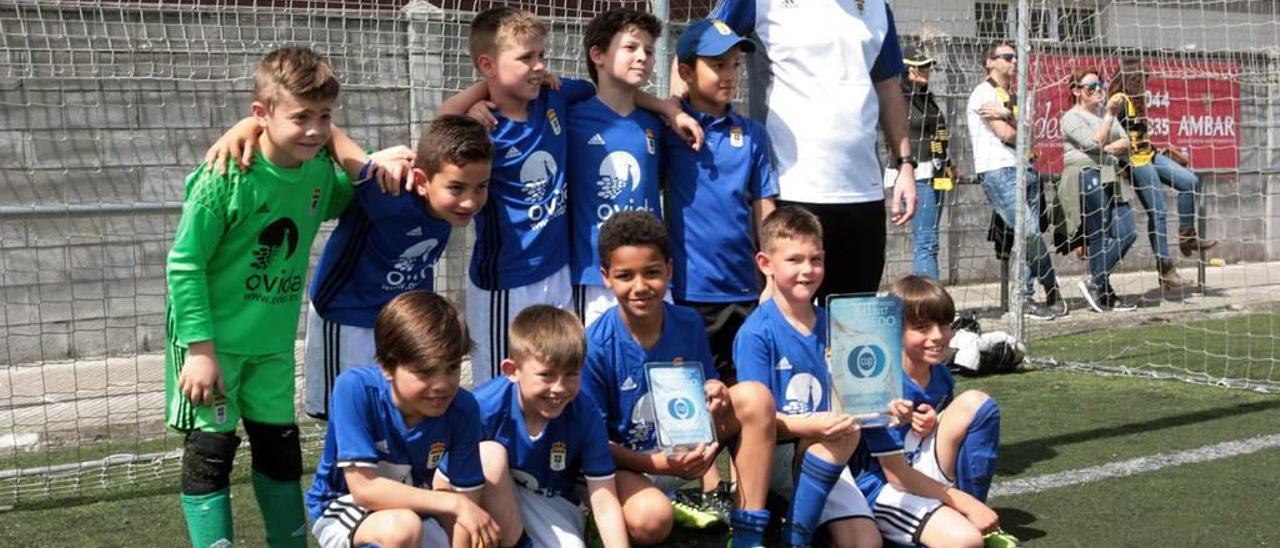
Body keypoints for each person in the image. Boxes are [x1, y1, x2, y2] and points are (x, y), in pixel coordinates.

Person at [164, 47, 379, 548]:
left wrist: (361, 150)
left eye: (324, 116)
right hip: (214, 345)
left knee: (280, 452)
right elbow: (184, 263)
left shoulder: (319, 175)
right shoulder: (225, 177)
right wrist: (199, 348)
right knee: (211, 453)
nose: (314, 129)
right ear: (261, 114)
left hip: (273, 346)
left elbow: (360, 187)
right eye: (300, 117)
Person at [442, 7, 700, 381]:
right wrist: (479, 94)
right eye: (526, 57)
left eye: (541, 57)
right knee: (504, 380)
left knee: (563, 371)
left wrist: (666, 108)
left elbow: (606, 90)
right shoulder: (485, 125)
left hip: (559, 271)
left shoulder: (559, 99)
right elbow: (442, 123)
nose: (538, 66)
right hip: (512, 276)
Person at [690, 0, 917, 300]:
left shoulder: (877, 6)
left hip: (863, 195)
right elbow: (696, 46)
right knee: (790, 322)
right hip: (789, 190)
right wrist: (678, 113)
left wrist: (905, 164)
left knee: (854, 328)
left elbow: (888, 87)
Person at [580, 211, 777, 547]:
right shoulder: (594, 345)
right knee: (652, 520)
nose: (640, 286)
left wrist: (715, 394)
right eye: (625, 275)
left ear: (669, 270)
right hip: (634, 465)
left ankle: (747, 534)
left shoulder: (688, 322)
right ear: (606, 277)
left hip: (683, 450)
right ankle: (604, 520)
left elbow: (706, 391)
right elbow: (594, 445)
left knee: (755, 397)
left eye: (652, 273)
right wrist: (658, 464)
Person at [301, 115, 492, 419]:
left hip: (398, 326)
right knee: (345, 415)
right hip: (346, 318)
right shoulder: (387, 192)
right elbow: (331, 133)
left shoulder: (445, 208)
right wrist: (377, 158)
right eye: (456, 188)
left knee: (394, 414)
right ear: (421, 180)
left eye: (480, 187)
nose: (469, 202)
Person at [305, 291, 501, 548]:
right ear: (387, 367)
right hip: (344, 504)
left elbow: (468, 500)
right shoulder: (355, 390)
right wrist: (454, 503)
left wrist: (459, 514)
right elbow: (364, 490)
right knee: (402, 529)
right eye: (426, 371)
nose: (442, 384)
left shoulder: (463, 408)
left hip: (416, 508)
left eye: (452, 367)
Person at [733, 206, 880, 548]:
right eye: (794, 260)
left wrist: (890, 406)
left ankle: (803, 523)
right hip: (776, 457)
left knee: (866, 543)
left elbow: (858, 396)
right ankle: (793, 538)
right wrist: (813, 426)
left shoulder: (836, 323)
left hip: (828, 451)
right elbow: (756, 423)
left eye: (815, 259)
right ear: (765, 264)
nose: (807, 270)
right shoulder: (756, 332)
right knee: (841, 434)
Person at [846, 275, 1015, 548]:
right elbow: (896, 475)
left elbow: (942, 433)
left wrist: (933, 421)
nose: (937, 336)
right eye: (922, 328)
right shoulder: (878, 383)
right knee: (965, 542)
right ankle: (962, 515)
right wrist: (963, 502)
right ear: (894, 331)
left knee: (978, 405)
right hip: (885, 487)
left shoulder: (940, 375)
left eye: (944, 325)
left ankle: (971, 516)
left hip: (920, 470)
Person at [566, 8, 702, 327]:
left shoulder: (655, 124)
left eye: (650, 51)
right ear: (597, 55)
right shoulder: (571, 116)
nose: (643, 57)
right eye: (630, 48)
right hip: (596, 276)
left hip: (652, 274)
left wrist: (671, 112)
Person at [457, 305, 628, 548]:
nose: (559, 387)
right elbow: (446, 482)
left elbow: (603, 496)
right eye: (547, 375)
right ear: (512, 371)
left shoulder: (584, 412)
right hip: (482, 501)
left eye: (571, 374)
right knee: (488, 456)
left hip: (548, 501)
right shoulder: (483, 407)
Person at [665, 18, 777, 384]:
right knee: (695, 400)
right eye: (717, 65)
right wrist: (668, 107)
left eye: (736, 65)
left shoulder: (752, 135)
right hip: (688, 293)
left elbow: (765, 208)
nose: (730, 75)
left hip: (745, 291)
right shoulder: (667, 131)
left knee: (750, 393)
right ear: (686, 71)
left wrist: (771, 278)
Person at [966, 41, 1065, 320]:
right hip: (999, 170)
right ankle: (1046, 290)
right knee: (1028, 232)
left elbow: (1030, 134)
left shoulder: (1016, 95)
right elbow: (1007, 134)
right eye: (1007, 57)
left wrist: (1009, 115)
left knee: (1031, 235)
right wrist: (1013, 120)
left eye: (1016, 57)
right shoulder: (982, 93)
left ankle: (1028, 296)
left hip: (1027, 168)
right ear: (990, 62)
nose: (1013, 62)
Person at [1108, 57, 1216, 290]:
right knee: (1158, 211)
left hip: (1150, 154)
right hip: (1135, 161)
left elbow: (1136, 133)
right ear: (1134, 79)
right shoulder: (1119, 99)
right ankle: (1165, 269)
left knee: (1190, 181)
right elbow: (1110, 127)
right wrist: (1121, 162)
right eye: (1144, 78)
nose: (1147, 84)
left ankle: (1187, 236)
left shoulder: (1137, 102)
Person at [1059, 68, 1139, 312]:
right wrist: (1109, 118)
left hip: (1108, 174)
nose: (1098, 90)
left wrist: (1110, 143)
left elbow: (1126, 143)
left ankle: (1096, 282)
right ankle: (1103, 292)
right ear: (1077, 91)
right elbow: (1093, 142)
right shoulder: (1071, 117)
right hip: (1085, 174)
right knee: (1098, 234)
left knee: (1127, 231)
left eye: (1100, 85)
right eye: (1091, 87)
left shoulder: (1105, 116)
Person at [899, 46, 955, 282]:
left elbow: (938, 134)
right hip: (917, 173)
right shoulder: (900, 97)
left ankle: (931, 296)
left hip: (938, 173)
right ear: (907, 68)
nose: (926, 71)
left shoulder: (926, 97)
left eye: (927, 66)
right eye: (919, 66)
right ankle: (928, 301)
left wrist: (948, 164)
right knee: (926, 241)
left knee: (932, 239)